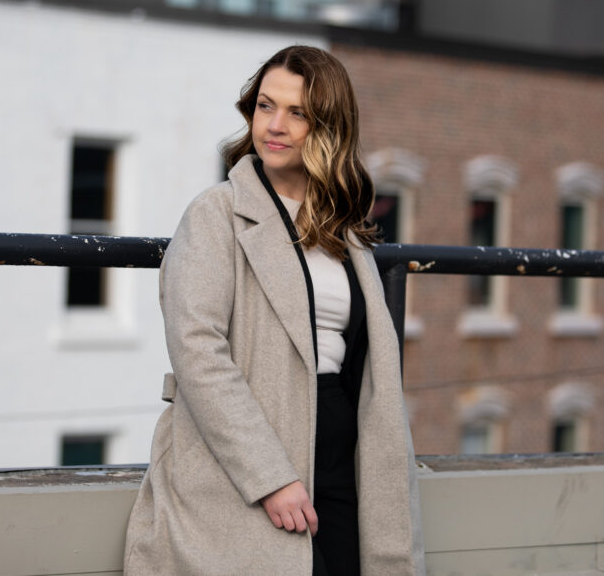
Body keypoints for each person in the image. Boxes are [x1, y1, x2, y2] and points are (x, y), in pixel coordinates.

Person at [123, 46, 424, 575]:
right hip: (257, 452)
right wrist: (270, 476)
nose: (275, 125)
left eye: (297, 112)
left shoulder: (345, 232)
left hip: (341, 454)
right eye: (265, 106)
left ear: (329, 126)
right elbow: (198, 349)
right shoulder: (217, 214)